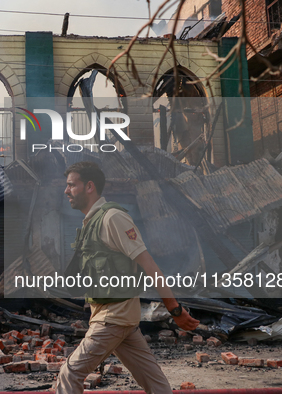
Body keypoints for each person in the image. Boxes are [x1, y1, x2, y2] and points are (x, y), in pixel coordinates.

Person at [55, 161, 200, 394]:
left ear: (89, 186)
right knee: (156, 384)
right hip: (118, 320)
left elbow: (149, 264)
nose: (66, 190)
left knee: (69, 375)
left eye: (71, 185)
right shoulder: (91, 222)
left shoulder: (112, 218)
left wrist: (174, 309)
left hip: (114, 319)